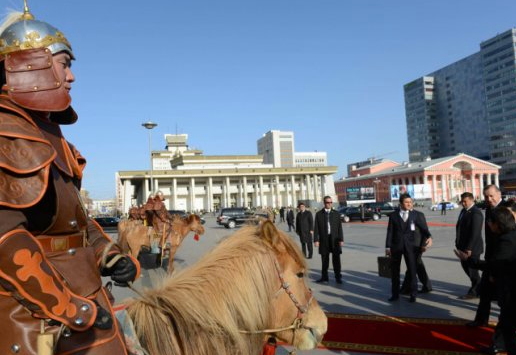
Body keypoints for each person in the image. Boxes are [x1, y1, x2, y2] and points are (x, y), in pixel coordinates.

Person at [0, 5, 139, 354]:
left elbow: (74, 225)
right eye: (65, 64)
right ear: (31, 64)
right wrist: (70, 309)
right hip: (35, 314)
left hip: (85, 296)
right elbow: (6, 241)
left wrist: (110, 255)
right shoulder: (6, 132)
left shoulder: (48, 133)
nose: (72, 77)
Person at [456, 206, 516, 355]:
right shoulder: (510, 235)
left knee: (508, 322)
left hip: (510, 287)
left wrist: (470, 260)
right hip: (506, 283)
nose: (488, 224)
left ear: (498, 223)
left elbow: (494, 264)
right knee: (505, 320)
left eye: (490, 221)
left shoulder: (507, 240)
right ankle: (498, 345)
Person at [465, 184, 505, 355]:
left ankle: (500, 342)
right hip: (491, 258)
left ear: (499, 194)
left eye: (491, 196)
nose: (488, 199)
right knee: (485, 292)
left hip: (503, 261)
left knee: (505, 303)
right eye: (486, 196)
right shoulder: (489, 210)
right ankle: (481, 320)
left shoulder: (507, 209)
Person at [385, 193, 432, 303]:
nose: (409, 204)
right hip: (396, 247)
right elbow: (390, 232)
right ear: (401, 203)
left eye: (410, 202)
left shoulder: (415, 215)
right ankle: (395, 294)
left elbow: (424, 228)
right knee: (395, 272)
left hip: (411, 248)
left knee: (412, 271)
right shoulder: (393, 216)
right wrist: (388, 247)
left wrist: (429, 237)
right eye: (406, 202)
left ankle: (413, 294)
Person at [455, 192, 484, 299]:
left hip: (472, 249)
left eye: (465, 201)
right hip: (463, 247)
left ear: (472, 200)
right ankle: (479, 287)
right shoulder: (464, 211)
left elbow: (475, 232)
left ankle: (475, 291)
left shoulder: (476, 213)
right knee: (466, 268)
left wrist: (469, 248)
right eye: (462, 201)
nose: (463, 203)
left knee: (472, 270)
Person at [314, 196, 344, 284]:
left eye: (331, 202)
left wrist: (341, 239)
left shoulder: (336, 214)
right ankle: (324, 277)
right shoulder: (319, 214)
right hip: (324, 240)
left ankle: (338, 277)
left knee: (336, 260)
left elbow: (339, 228)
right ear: (324, 203)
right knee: (324, 260)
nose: (329, 204)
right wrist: (316, 240)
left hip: (334, 239)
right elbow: (316, 228)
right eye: (327, 202)